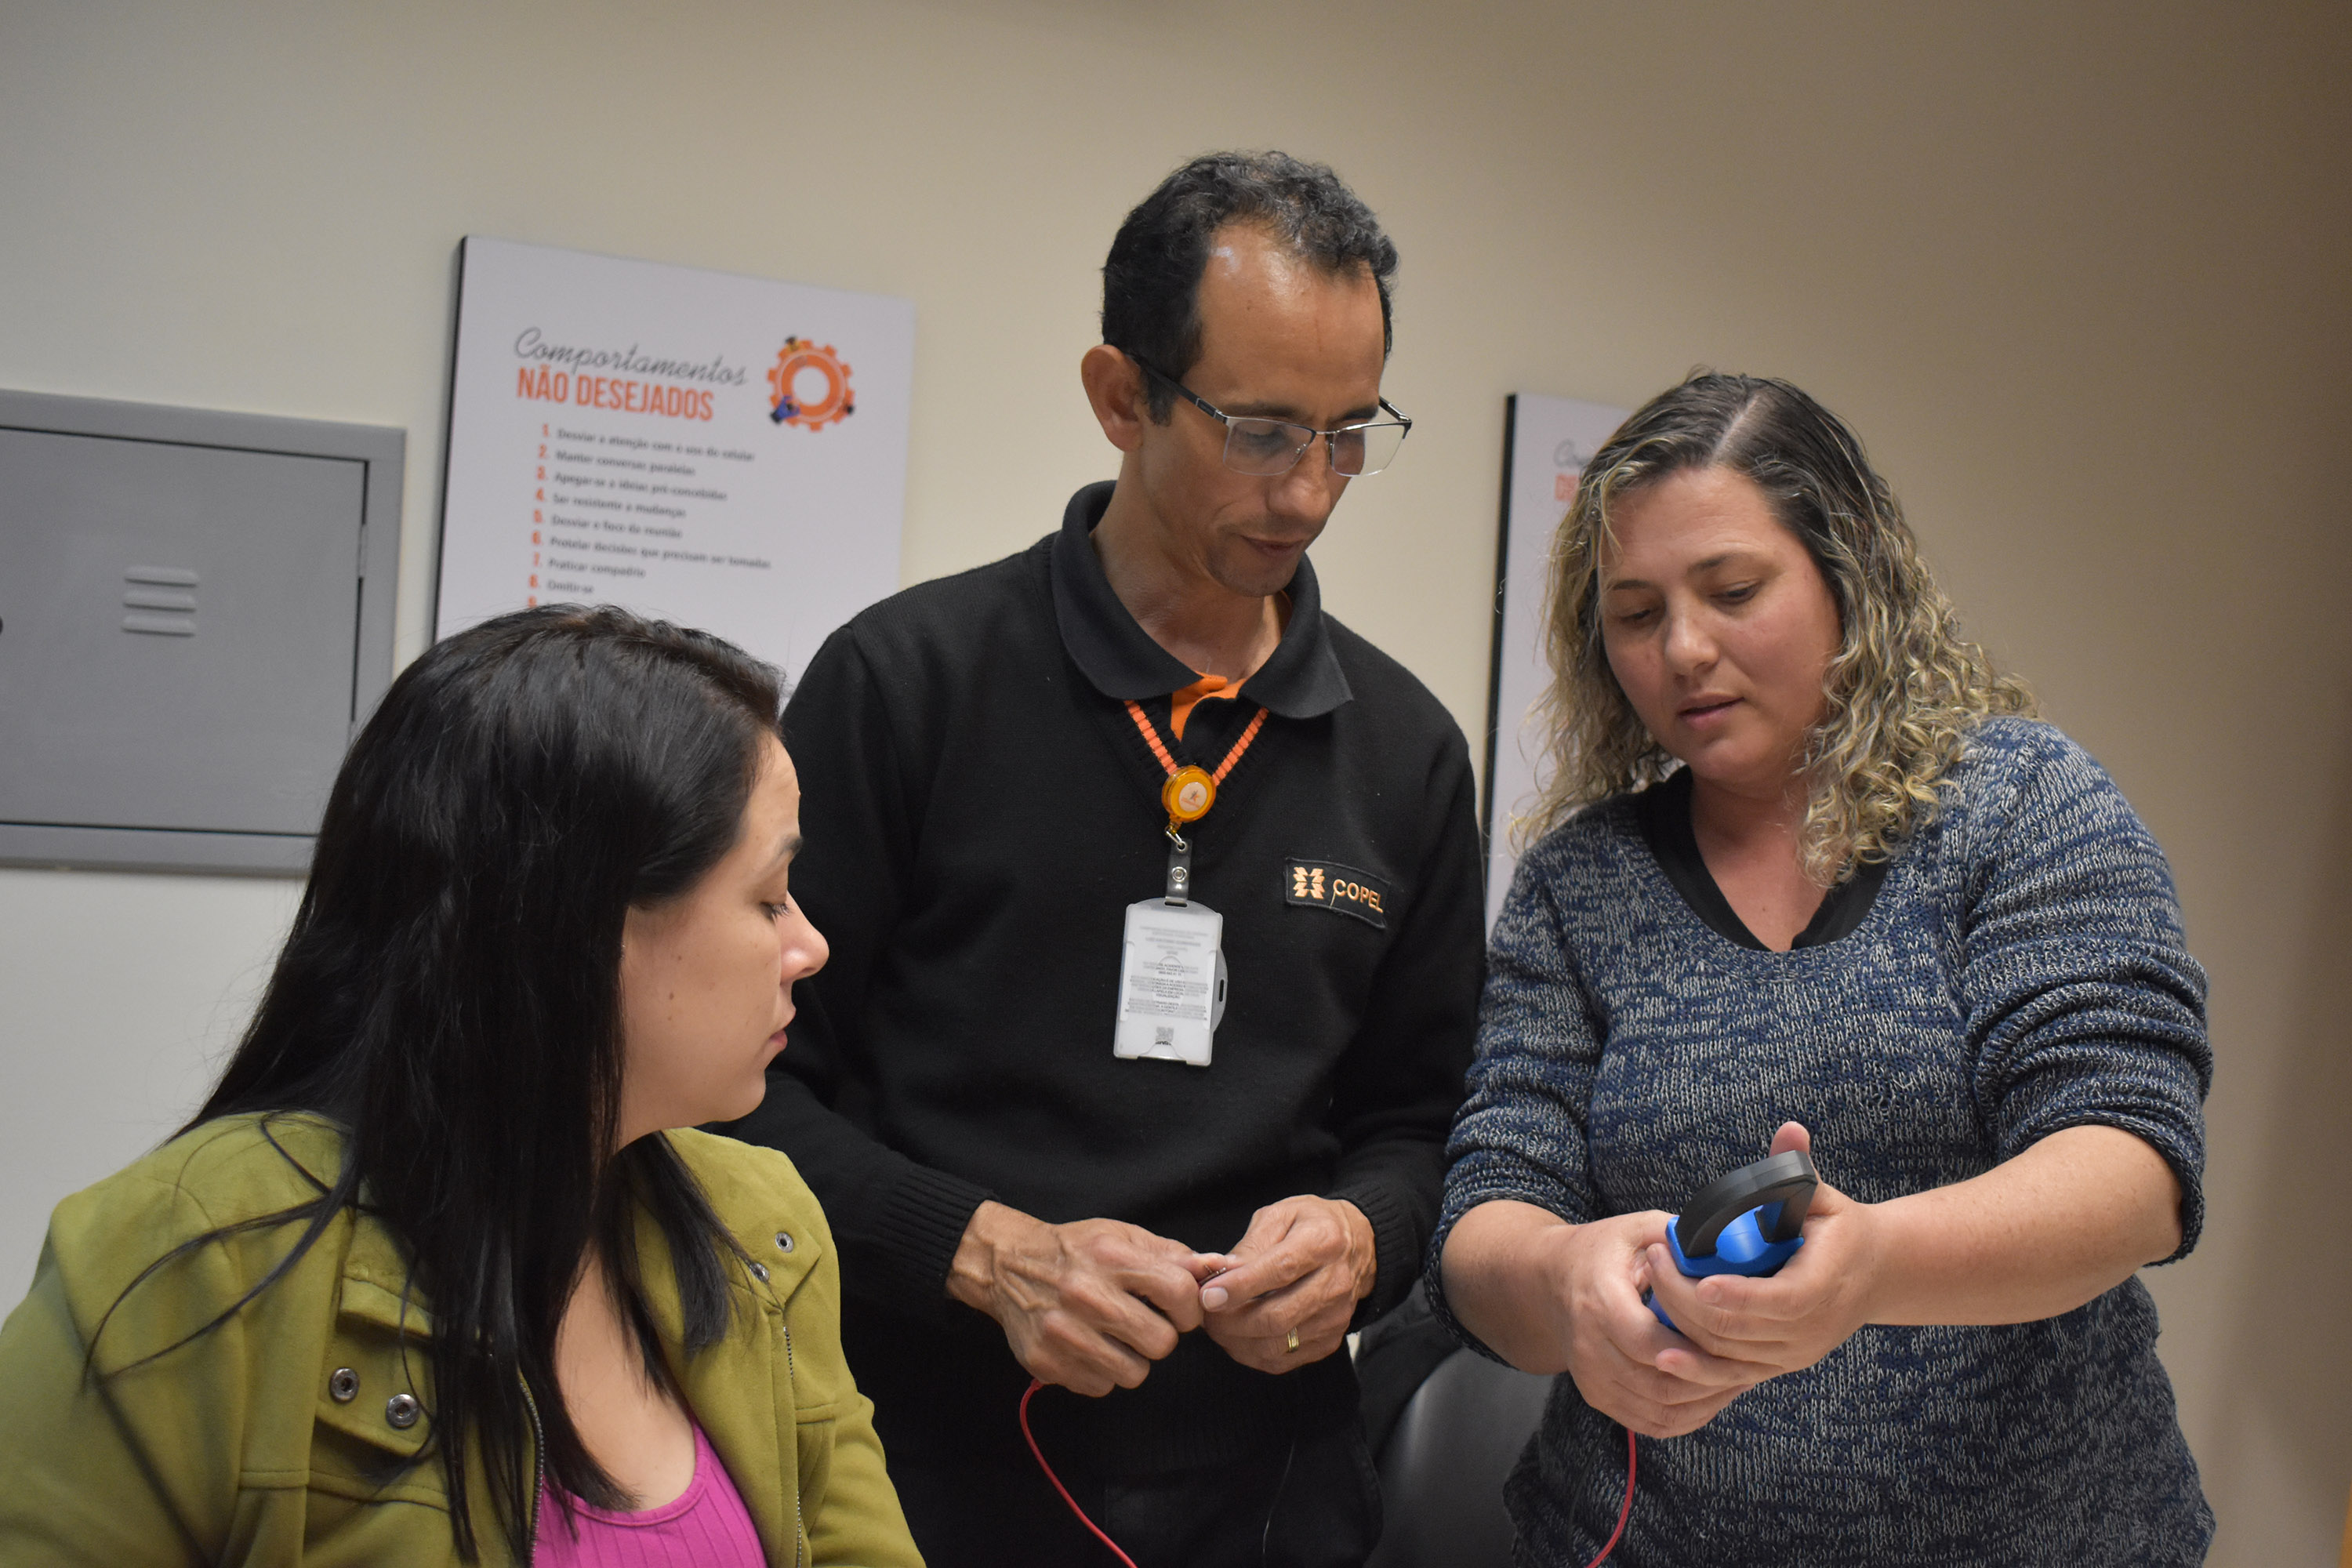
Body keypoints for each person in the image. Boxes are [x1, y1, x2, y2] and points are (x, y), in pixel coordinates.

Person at [718, 151, 1483, 1567]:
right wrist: (981, 1252)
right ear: (1121, 396)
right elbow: (734, 1103)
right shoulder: (906, 686)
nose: (1310, 491)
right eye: (1261, 430)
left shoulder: (1410, 752)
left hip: (1274, 1490)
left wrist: (1368, 1237)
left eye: (1350, 433)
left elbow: (1427, 1125)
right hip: (913, 1471)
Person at [1431, 374, 2212, 1564]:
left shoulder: (2020, 807)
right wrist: (1562, 1277)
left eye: (1733, 591)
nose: (1683, 649)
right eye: (1635, 614)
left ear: (1851, 583)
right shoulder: (1579, 889)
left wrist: (1875, 1266)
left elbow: (2131, 1171)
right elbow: (1487, 1217)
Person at [0, 607, 923, 1568]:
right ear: (580, 924)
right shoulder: (198, 1254)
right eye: (770, 897)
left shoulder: (764, 1232)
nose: (808, 947)